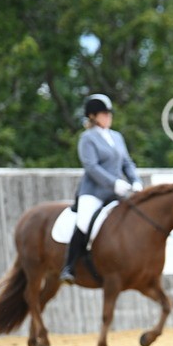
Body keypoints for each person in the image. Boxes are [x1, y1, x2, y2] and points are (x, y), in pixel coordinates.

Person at [59, 94, 142, 284]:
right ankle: (69, 267)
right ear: (93, 116)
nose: (109, 117)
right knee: (84, 222)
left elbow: (127, 163)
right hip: (93, 192)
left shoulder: (117, 137)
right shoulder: (87, 138)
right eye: (105, 113)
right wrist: (114, 182)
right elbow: (91, 166)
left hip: (116, 193)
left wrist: (135, 181)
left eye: (109, 113)